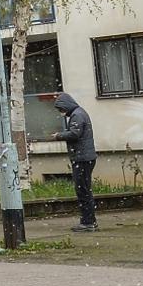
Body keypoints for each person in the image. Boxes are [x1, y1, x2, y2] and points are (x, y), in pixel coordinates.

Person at [53, 92, 98, 231]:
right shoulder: (79, 113)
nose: (61, 112)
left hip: (82, 158)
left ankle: (88, 222)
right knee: (84, 189)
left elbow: (75, 134)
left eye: (61, 109)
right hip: (85, 157)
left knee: (82, 190)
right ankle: (89, 220)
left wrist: (58, 136)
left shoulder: (77, 115)